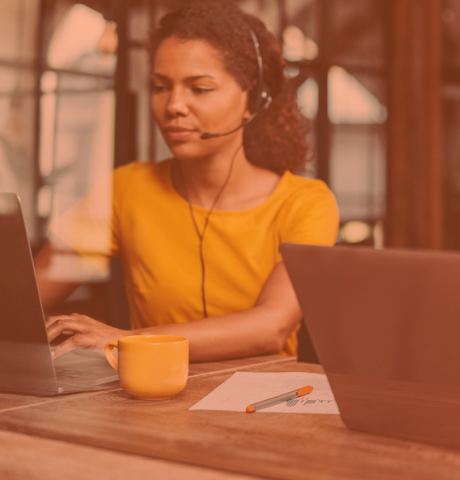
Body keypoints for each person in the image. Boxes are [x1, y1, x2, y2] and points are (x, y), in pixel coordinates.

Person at [35, 3, 338, 362]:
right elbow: (26, 300)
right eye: (160, 86)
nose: (174, 105)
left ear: (251, 99)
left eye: (200, 89)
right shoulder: (127, 189)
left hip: (262, 408)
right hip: (151, 402)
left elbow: (272, 326)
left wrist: (124, 341)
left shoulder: (306, 202)